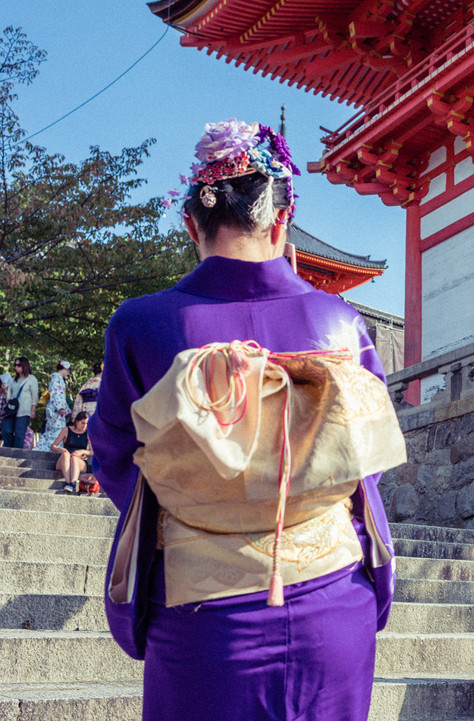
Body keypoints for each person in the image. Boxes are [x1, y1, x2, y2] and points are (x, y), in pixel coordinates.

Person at [88, 119, 404, 721]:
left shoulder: (141, 324)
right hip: (333, 600)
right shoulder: (339, 322)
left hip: (202, 614)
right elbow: (368, 456)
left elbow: (114, 457)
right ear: (282, 223)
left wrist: (206, 500)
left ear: (191, 225)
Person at [51, 412, 93, 494]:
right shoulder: (66, 430)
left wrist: (82, 451)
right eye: (82, 423)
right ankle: (68, 482)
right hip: (65, 460)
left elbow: (92, 452)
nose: (84, 426)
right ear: (77, 421)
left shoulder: (88, 433)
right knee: (66, 454)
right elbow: (53, 446)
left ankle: (73, 483)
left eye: (87, 423)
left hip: (79, 461)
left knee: (74, 458)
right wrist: (61, 450)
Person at [2, 358, 39, 449]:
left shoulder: (31, 379)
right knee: (6, 430)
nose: (16, 367)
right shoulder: (13, 379)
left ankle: (16, 455)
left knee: (19, 434)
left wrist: (33, 409)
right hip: (11, 410)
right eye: (15, 365)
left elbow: (34, 395)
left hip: (24, 410)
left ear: (24, 366)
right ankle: (7, 451)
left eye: (18, 365)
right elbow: (9, 394)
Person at [35, 361, 71, 451]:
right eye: (68, 371)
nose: (68, 373)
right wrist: (61, 408)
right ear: (66, 369)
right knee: (57, 433)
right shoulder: (57, 379)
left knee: (50, 433)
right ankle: (48, 450)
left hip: (52, 410)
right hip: (56, 411)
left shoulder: (55, 378)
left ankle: (41, 449)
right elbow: (57, 394)